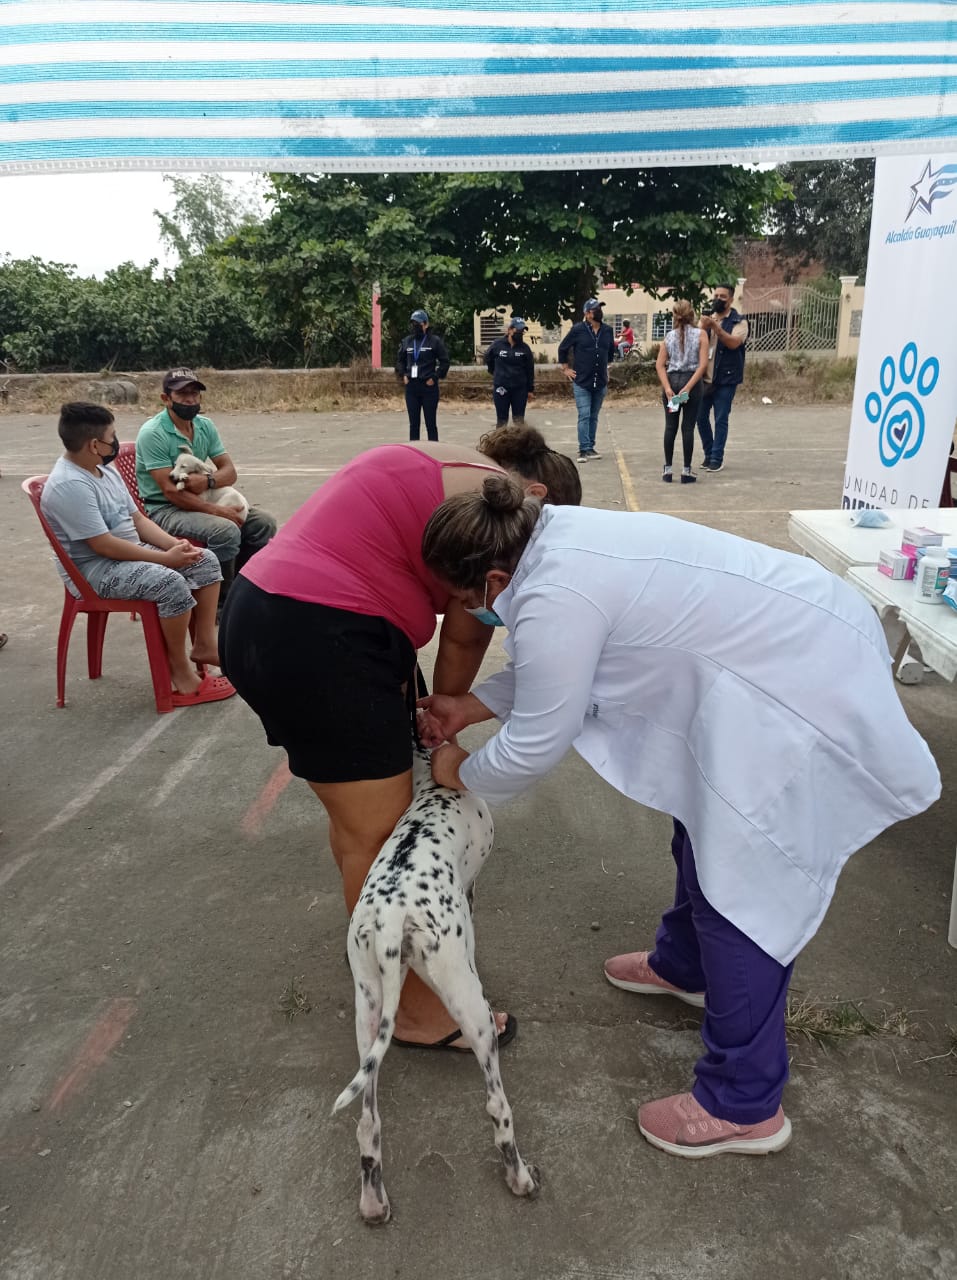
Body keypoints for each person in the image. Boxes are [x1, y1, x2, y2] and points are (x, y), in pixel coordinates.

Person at [416, 475, 940, 1159]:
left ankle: (743, 1104)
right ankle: (685, 966)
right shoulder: (555, 540)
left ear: (491, 579)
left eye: (465, 603)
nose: (469, 615)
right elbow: (562, 664)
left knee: (743, 889)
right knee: (697, 823)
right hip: (789, 643)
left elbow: (539, 738)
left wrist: (457, 771)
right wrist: (472, 705)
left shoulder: (554, 591)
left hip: (795, 684)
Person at [218, 429, 580, 1052]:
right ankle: (413, 1012)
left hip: (264, 609)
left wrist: (441, 713)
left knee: (358, 824)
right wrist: (447, 729)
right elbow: (465, 634)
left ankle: (377, 949)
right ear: (535, 499)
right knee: (382, 837)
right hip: (325, 637)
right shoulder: (496, 532)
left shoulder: (445, 465)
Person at [40, 402, 235, 705]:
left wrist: (174, 545)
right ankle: (180, 672)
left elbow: (138, 521)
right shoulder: (70, 484)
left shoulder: (104, 469)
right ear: (94, 445)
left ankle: (205, 645)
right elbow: (103, 545)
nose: (115, 442)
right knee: (170, 581)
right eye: (111, 437)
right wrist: (165, 559)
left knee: (203, 560)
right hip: (96, 570)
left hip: (128, 553)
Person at [135, 369, 277, 606]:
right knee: (225, 530)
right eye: (182, 394)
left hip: (202, 499)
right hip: (166, 509)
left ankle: (244, 594)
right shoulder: (153, 433)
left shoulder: (204, 425)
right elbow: (171, 491)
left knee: (264, 523)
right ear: (166, 399)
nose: (190, 399)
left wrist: (208, 481)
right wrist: (218, 511)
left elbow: (229, 471)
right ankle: (220, 606)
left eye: (194, 393)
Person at [696, 285, 749, 474]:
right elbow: (695, 343)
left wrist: (716, 328)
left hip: (726, 378)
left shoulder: (739, 321)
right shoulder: (708, 318)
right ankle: (709, 453)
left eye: (723, 296)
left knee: (720, 419)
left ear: (731, 300)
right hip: (705, 378)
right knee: (700, 417)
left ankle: (716, 458)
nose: (718, 299)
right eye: (716, 295)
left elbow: (734, 343)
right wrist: (703, 327)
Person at [655, 301, 709, 484]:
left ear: (675, 315)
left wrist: (668, 388)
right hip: (691, 383)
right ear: (692, 314)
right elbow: (703, 365)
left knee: (670, 426)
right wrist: (688, 387)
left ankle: (668, 469)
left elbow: (660, 365)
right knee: (688, 427)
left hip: (672, 381)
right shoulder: (701, 334)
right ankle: (686, 471)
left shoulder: (669, 336)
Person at [558, 298, 616, 464]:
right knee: (584, 415)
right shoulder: (578, 330)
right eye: (595, 309)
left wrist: (607, 369)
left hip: (600, 381)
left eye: (599, 308)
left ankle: (590, 446)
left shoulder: (607, 330)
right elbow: (563, 348)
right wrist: (565, 369)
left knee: (593, 416)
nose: (598, 312)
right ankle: (584, 449)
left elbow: (610, 353)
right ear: (587, 314)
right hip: (582, 381)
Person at [395, 309, 451, 442]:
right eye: (413, 323)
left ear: (425, 324)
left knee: (431, 424)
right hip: (411, 387)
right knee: (413, 425)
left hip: (428, 387)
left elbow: (445, 362)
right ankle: (414, 451)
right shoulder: (407, 341)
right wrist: (403, 375)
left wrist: (435, 377)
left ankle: (434, 450)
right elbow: (400, 361)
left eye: (418, 323)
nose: (415, 326)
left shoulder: (434, 341)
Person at [484, 317, 535, 426]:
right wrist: (495, 372)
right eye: (518, 330)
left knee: (519, 421)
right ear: (510, 330)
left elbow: (530, 369)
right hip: (501, 387)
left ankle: (520, 438)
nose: (520, 333)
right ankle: (500, 437)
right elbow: (488, 358)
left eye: (522, 331)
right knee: (502, 420)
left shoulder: (525, 348)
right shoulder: (497, 344)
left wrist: (530, 389)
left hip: (520, 389)